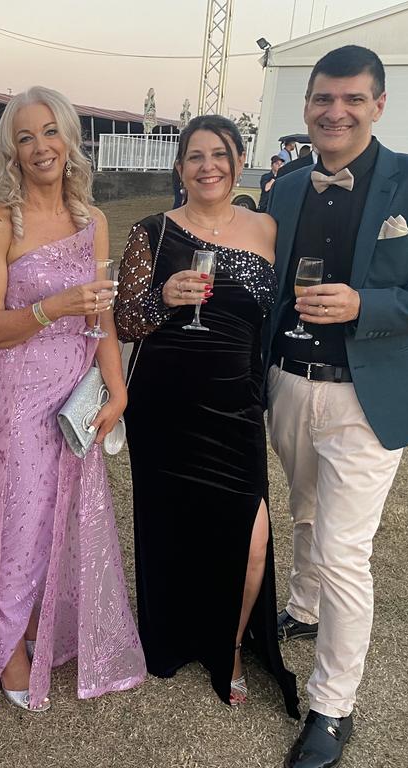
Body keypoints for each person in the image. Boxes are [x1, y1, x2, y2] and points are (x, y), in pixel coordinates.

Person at [265, 46, 408, 768]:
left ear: (379, 105)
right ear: (308, 105)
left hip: (369, 398)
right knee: (303, 513)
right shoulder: (284, 190)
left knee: (346, 551)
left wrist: (365, 306)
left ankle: (331, 706)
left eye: (353, 98)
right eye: (324, 98)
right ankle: (304, 608)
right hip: (291, 383)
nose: (336, 111)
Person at [0, 86, 146, 714]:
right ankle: (6, 650)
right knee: (18, 523)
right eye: (26, 136)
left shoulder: (93, 220)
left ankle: (42, 628)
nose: (40, 147)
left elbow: (104, 315)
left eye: (50, 132)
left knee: (65, 520)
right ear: (10, 150)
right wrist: (51, 307)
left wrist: (117, 389)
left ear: (69, 140)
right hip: (11, 398)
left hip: (74, 396)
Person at [116, 115, 298, 717]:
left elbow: (273, 319)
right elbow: (124, 322)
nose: (207, 166)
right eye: (194, 156)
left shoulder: (267, 228)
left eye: (219, 154)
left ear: (239, 159)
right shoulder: (151, 232)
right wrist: (163, 298)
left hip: (235, 407)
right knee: (172, 528)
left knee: (250, 533)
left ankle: (232, 648)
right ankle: (172, 636)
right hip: (164, 406)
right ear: (179, 168)